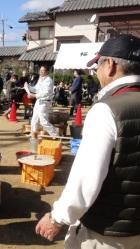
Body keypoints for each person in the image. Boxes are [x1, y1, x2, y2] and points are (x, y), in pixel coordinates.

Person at [35, 34, 140, 249]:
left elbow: (86, 179)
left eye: (97, 67)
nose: (97, 74)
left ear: (110, 65)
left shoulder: (107, 110)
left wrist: (57, 218)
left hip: (109, 231)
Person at [25, 65, 58, 138]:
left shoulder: (48, 80)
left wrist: (34, 96)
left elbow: (45, 93)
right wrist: (28, 87)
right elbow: (36, 89)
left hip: (45, 102)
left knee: (43, 121)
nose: (41, 72)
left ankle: (55, 134)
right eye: (40, 70)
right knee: (34, 119)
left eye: (43, 70)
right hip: (39, 101)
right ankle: (34, 134)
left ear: (47, 72)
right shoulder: (41, 79)